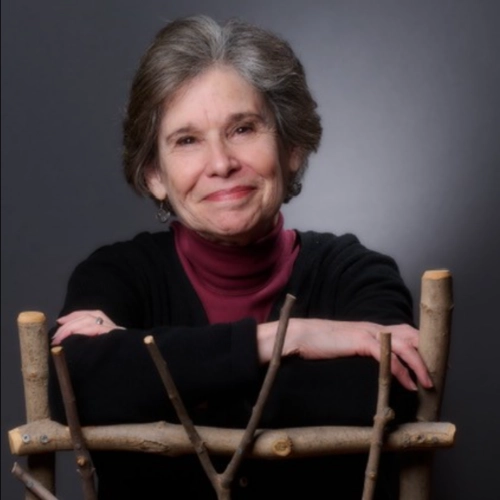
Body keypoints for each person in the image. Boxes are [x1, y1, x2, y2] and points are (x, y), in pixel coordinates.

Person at [49, 15, 433, 500]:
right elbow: (71, 384)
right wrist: (288, 338)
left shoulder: (356, 273)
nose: (221, 164)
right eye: (187, 140)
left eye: (244, 128)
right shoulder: (118, 273)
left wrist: (143, 369)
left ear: (291, 147)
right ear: (154, 175)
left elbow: (379, 394)